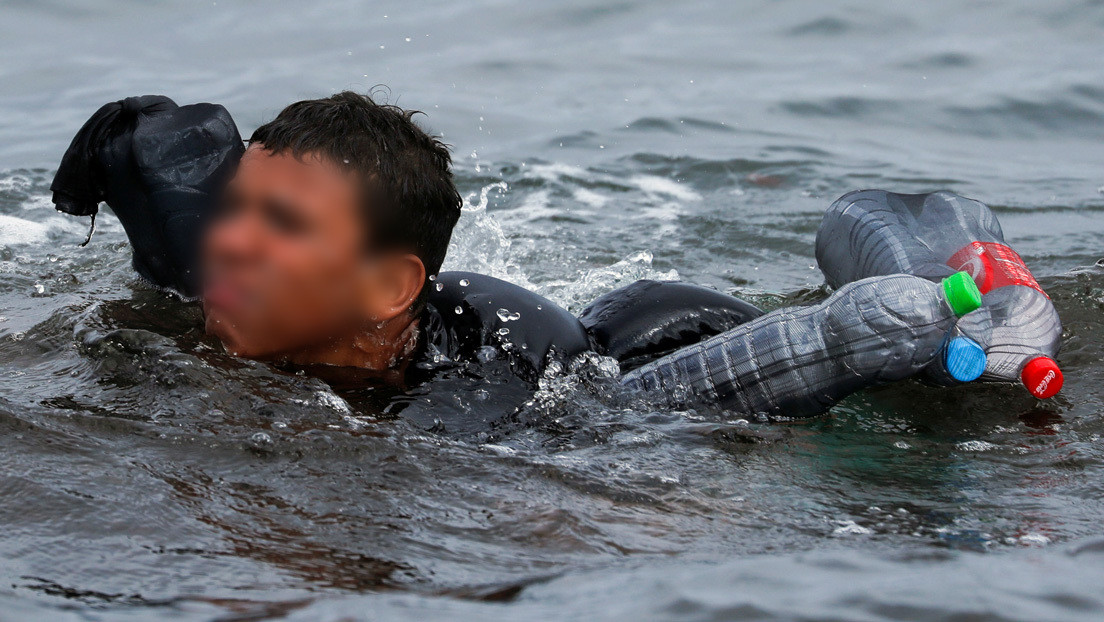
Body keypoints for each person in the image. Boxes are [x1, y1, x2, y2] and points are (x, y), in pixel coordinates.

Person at [50, 92, 762, 398]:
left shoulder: (487, 386)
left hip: (668, 350)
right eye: (235, 206)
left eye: (285, 224)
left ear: (387, 288)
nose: (230, 241)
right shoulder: (210, 285)